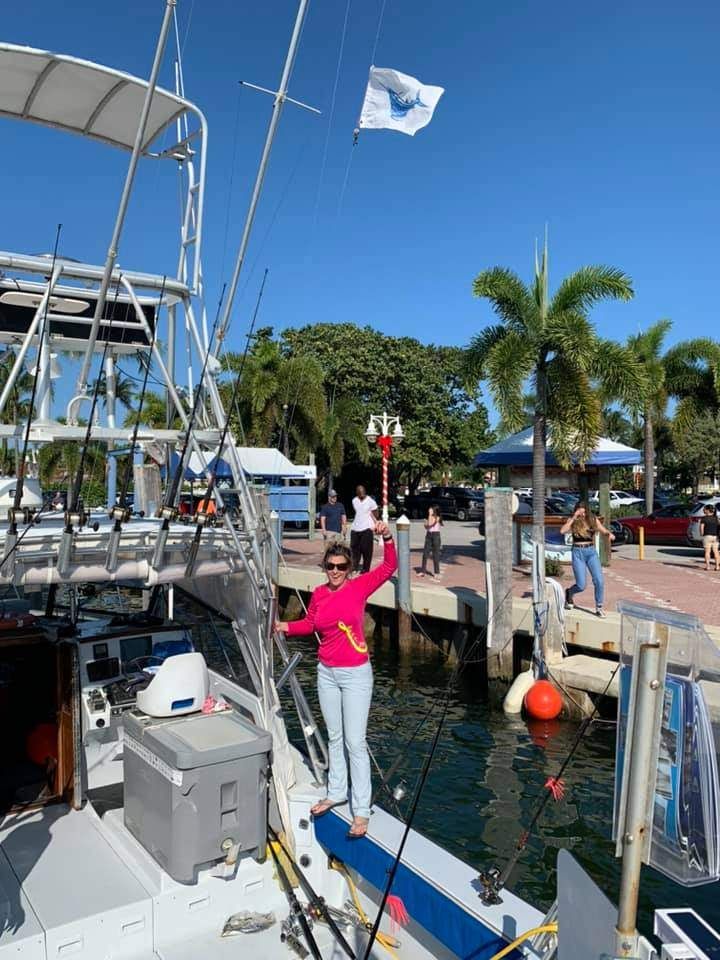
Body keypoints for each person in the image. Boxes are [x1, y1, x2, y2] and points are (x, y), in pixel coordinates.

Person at [275, 521, 397, 838]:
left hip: (356, 674)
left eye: (341, 566)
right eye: (330, 566)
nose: (335, 571)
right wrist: (284, 627)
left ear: (349, 567)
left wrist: (386, 537)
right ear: (325, 567)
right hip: (326, 672)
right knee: (334, 737)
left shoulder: (358, 588)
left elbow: (390, 566)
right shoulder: (318, 594)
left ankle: (361, 811)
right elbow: (311, 623)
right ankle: (336, 791)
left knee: (355, 742)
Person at [560, 501, 614, 618]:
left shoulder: (593, 519)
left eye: (584, 511)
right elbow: (562, 531)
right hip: (577, 552)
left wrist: (609, 534)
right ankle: (570, 592)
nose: (582, 514)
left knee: (599, 581)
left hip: (591, 552)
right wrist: (574, 517)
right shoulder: (573, 521)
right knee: (581, 585)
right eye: (580, 511)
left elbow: (603, 530)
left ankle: (599, 607)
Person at [350, 485, 378, 573]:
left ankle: (366, 569)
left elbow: (376, 513)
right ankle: (354, 566)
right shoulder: (354, 500)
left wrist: (374, 524)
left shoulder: (371, 501)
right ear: (357, 493)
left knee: (366, 550)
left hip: (367, 528)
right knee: (354, 549)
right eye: (359, 492)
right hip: (355, 528)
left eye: (363, 492)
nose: (361, 494)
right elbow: (357, 512)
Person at [419, 506, 442, 579]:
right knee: (425, 554)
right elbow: (426, 526)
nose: (429, 510)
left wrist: (429, 516)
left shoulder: (437, 517)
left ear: (434, 510)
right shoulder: (429, 517)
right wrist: (427, 523)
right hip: (428, 535)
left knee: (435, 555)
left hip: (436, 535)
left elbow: (429, 524)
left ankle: (437, 572)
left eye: (431, 510)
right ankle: (423, 571)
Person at [700, 504, 719, 571]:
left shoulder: (704, 518)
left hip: (707, 536)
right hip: (715, 537)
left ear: (708, 510)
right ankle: (717, 566)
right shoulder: (716, 518)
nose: (703, 510)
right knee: (716, 551)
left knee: (707, 552)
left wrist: (702, 535)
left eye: (704, 509)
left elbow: (701, 528)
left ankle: (708, 566)